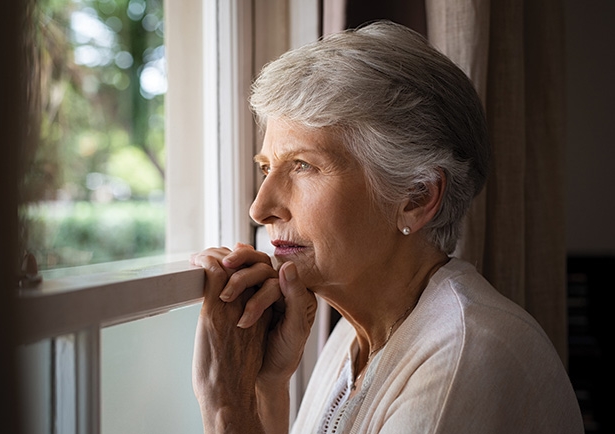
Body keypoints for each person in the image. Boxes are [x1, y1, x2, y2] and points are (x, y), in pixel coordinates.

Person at [190, 20, 583, 434]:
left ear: (416, 198)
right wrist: (267, 387)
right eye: (267, 168)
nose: (260, 208)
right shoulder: (351, 339)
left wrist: (227, 408)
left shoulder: (464, 356)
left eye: (303, 166)